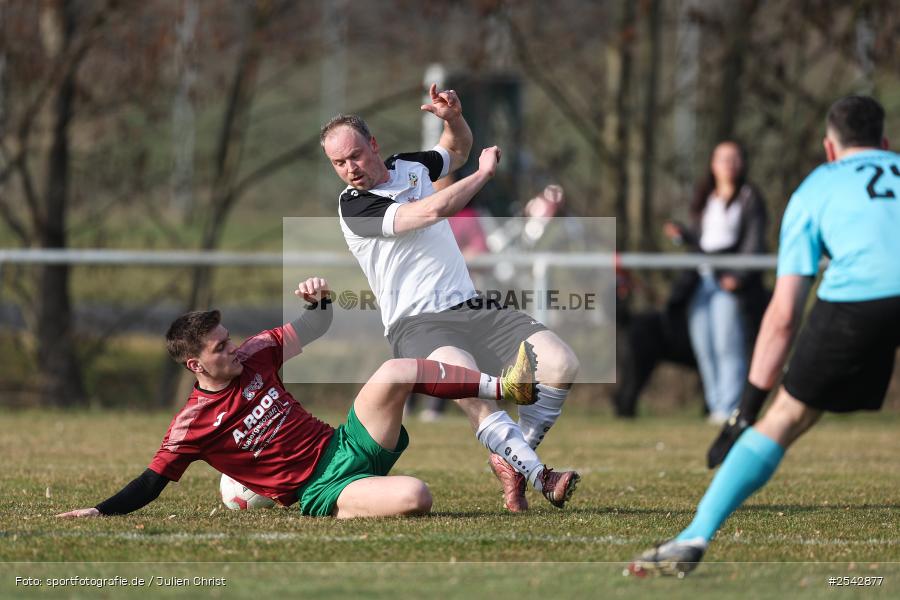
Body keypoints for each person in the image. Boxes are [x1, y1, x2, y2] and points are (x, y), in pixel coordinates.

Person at [629, 95, 900, 577]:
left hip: (859, 298)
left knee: (788, 416)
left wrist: (746, 409)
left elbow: (782, 315)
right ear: (884, 143)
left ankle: (694, 536)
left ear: (830, 148)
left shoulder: (817, 187)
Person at [56, 277, 540, 520]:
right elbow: (150, 482)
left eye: (228, 337)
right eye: (220, 346)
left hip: (348, 443)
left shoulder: (257, 354)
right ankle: (355, 503)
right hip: (320, 489)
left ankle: (505, 387)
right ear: (195, 366)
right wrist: (100, 511)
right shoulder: (192, 424)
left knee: (395, 370)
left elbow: (315, 325)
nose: (233, 347)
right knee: (417, 497)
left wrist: (320, 300)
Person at [320, 84, 581, 512]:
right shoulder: (356, 207)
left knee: (560, 363)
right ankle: (542, 476)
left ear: (374, 145)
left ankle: (512, 457)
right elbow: (430, 212)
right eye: (338, 163)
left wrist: (453, 118)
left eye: (355, 156)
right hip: (417, 324)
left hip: (471, 305)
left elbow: (454, 151)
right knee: (472, 391)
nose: (350, 168)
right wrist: (481, 176)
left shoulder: (408, 166)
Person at [663, 140, 768, 423]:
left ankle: (730, 406)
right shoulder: (705, 198)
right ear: (713, 163)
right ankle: (715, 406)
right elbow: (703, 242)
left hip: (729, 282)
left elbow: (754, 242)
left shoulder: (749, 197)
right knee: (704, 345)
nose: (729, 164)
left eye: (734, 158)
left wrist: (740, 276)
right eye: (723, 158)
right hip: (701, 279)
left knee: (727, 343)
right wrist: (683, 235)